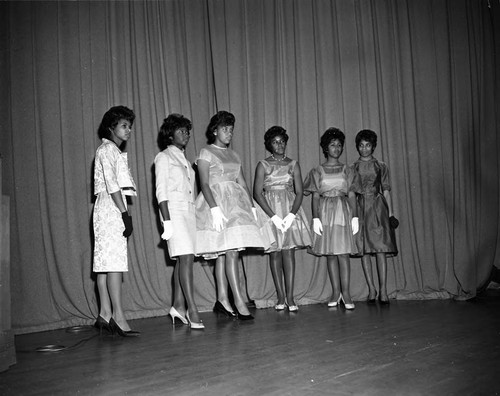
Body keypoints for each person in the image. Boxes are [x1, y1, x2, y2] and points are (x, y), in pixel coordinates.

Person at [195, 111, 273, 320]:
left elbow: (243, 184)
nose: (229, 133)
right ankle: (235, 300)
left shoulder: (234, 155)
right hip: (216, 204)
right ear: (215, 131)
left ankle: (224, 299)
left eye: (231, 130)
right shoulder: (205, 152)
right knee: (224, 251)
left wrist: (253, 208)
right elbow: (203, 183)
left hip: (236, 205)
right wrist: (214, 208)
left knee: (229, 252)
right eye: (224, 129)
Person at [253, 126, 312, 312]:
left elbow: (300, 191)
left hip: (289, 208)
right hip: (270, 210)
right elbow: (257, 192)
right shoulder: (263, 164)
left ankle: (290, 296)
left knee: (289, 252)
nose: (280, 145)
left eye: (282, 141)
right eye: (276, 141)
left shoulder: (293, 164)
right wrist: (273, 216)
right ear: (269, 144)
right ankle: (280, 296)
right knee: (275, 252)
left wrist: (292, 214)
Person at [93, 105, 140, 337]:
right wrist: (124, 214)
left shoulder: (108, 150)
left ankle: (104, 313)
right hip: (111, 207)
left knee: (104, 263)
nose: (128, 130)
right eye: (124, 125)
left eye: (130, 126)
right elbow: (113, 185)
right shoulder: (108, 150)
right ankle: (119, 317)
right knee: (114, 263)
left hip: (106, 206)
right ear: (111, 127)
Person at [154, 114, 204, 330]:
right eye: (181, 131)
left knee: (184, 260)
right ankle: (193, 309)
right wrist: (167, 221)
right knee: (185, 258)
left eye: (187, 131)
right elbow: (161, 193)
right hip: (173, 213)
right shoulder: (163, 158)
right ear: (170, 134)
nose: (186, 135)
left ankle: (178, 306)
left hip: (189, 213)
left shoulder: (185, 161)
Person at [304, 128, 360, 310]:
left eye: (339, 145)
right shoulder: (317, 170)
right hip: (326, 212)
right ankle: (336, 291)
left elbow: (351, 195)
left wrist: (355, 216)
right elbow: (315, 196)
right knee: (330, 253)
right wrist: (316, 218)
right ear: (325, 148)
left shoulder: (348, 170)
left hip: (343, 211)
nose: (336, 148)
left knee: (343, 253)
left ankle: (347, 292)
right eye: (332, 145)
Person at [351, 129, 398, 305]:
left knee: (380, 249)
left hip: (378, 208)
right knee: (364, 249)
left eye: (368, 145)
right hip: (361, 206)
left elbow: (386, 189)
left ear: (373, 146)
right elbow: (352, 192)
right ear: (358, 147)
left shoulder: (381, 165)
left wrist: (391, 213)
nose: (364, 149)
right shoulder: (353, 167)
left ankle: (383, 290)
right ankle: (371, 289)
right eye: (361, 145)